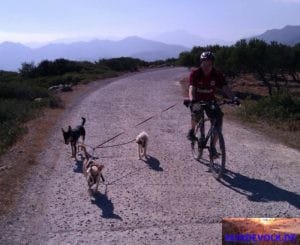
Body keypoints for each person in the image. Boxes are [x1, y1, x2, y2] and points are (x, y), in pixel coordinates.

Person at [186, 51, 239, 157]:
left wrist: (234, 98)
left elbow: (225, 87)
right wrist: (192, 100)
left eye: (209, 64)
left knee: (218, 120)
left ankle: (213, 148)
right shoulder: (195, 74)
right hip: (197, 100)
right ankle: (192, 131)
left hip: (211, 101)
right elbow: (191, 88)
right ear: (201, 63)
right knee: (196, 115)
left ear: (212, 64)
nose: (207, 66)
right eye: (204, 64)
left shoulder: (217, 74)